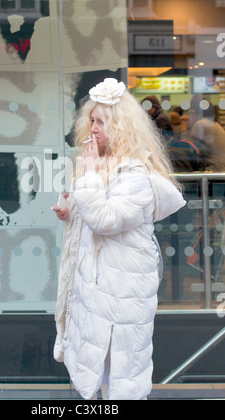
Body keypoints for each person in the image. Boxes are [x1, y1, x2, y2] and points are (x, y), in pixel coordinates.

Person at [52, 78, 185, 400]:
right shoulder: (103, 165)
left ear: (121, 127)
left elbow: (106, 220)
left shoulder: (135, 173)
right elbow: (93, 212)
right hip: (100, 286)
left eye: (101, 122)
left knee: (122, 371)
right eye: (92, 120)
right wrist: (70, 210)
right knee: (102, 364)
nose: (92, 129)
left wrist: (88, 178)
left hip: (122, 290)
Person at [189, 95, 225, 171]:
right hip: (220, 170)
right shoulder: (214, 124)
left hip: (214, 170)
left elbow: (189, 149)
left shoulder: (200, 124)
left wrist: (183, 128)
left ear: (193, 112)